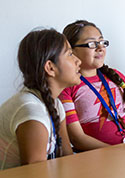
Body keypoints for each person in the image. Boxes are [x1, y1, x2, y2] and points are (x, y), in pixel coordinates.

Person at [59, 20, 125, 151]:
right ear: (72, 51)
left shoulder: (117, 76)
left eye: (102, 42)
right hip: (103, 160)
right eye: (92, 44)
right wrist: (116, 153)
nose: (100, 48)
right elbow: (77, 138)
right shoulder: (67, 86)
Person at [0, 29, 81, 170]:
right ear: (50, 67)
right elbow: (35, 173)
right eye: (70, 54)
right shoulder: (30, 111)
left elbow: (66, 156)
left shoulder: (55, 104)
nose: (78, 61)